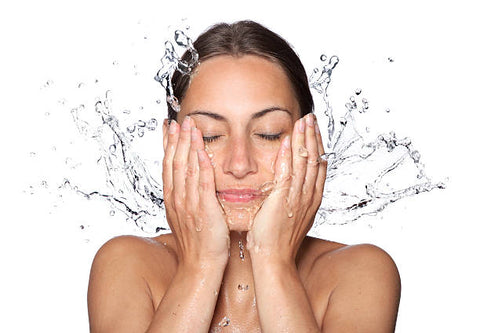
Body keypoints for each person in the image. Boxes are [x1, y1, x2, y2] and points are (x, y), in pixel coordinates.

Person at [87, 20, 401, 332]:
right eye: (209, 136)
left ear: (310, 142)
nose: (239, 165)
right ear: (171, 144)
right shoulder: (127, 265)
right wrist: (201, 266)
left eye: (268, 134)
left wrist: (273, 260)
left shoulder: (359, 273)